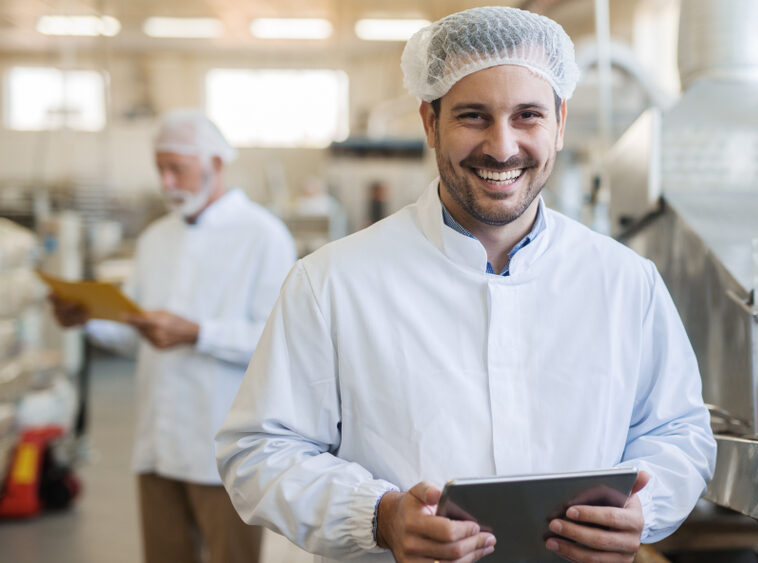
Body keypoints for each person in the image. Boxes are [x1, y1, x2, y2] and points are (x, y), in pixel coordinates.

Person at [215, 6, 716, 563]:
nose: (502, 148)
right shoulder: (332, 282)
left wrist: (646, 508)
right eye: (473, 116)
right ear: (429, 122)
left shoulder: (625, 282)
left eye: (527, 116)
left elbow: (679, 431)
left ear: (560, 121)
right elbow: (260, 451)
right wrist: (378, 515)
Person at [49, 109, 297, 563]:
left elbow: (277, 341)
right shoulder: (155, 238)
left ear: (215, 164)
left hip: (225, 450)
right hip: (158, 444)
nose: (165, 183)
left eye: (176, 169)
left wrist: (197, 333)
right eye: (159, 168)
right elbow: (134, 332)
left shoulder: (263, 236)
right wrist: (85, 317)